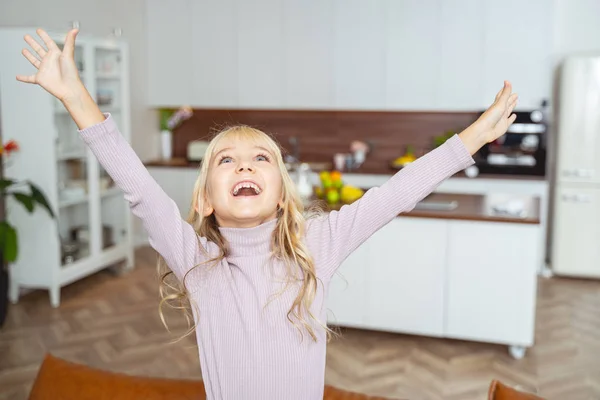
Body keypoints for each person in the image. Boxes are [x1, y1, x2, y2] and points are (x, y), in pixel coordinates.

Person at [16, 28, 518, 400]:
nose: (244, 166)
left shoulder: (319, 244)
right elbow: (138, 188)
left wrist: (473, 136)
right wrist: (76, 97)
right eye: (226, 160)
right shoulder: (194, 256)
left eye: (261, 159)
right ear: (204, 200)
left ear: (282, 194)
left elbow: (397, 192)